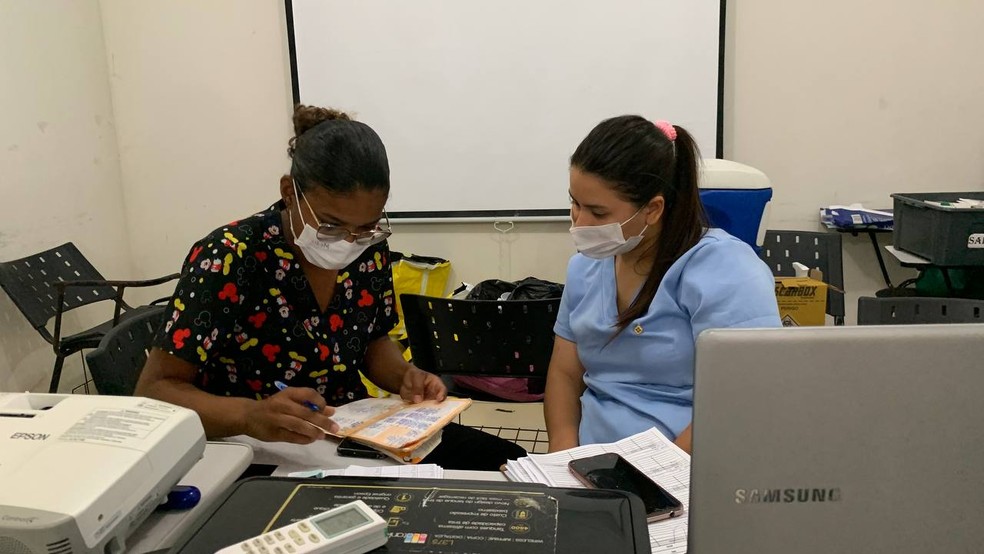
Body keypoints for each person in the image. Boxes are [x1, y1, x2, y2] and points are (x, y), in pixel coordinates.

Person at [135, 105, 525, 470]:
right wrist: (249, 415)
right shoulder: (229, 257)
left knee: (511, 463)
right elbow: (155, 391)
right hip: (252, 446)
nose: (349, 241)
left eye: (367, 226)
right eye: (331, 225)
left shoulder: (367, 250)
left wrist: (404, 375)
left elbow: (373, 341)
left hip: (350, 430)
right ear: (290, 192)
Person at [544, 116, 781, 454]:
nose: (579, 223)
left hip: (686, 464)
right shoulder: (585, 268)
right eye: (575, 204)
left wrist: (661, 477)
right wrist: (562, 455)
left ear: (653, 209)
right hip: (593, 463)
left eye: (597, 213)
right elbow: (565, 374)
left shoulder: (723, 268)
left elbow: (746, 391)